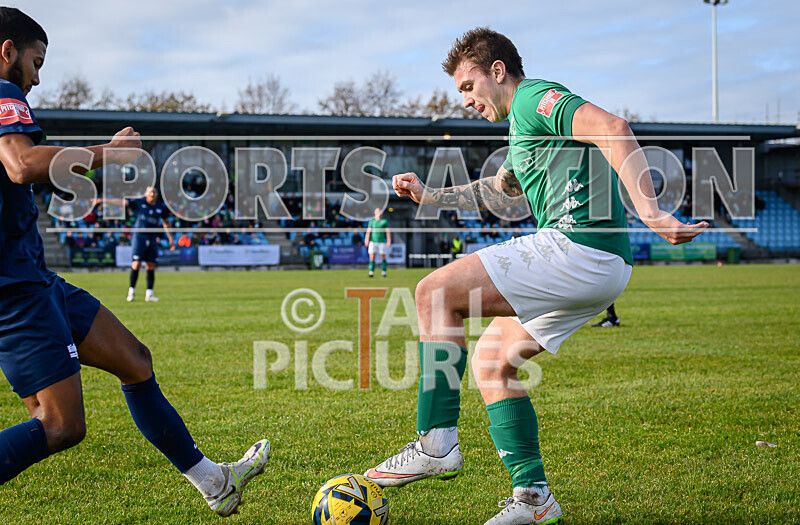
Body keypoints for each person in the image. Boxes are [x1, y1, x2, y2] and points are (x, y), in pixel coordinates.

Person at [363, 27, 707, 525]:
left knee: (433, 292)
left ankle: (435, 442)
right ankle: (534, 499)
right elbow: (497, 191)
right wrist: (429, 195)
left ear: (496, 71)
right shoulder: (521, 130)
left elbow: (613, 127)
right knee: (491, 362)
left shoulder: (533, 98)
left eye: (467, 86)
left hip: (579, 247)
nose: (465, 100)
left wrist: (651, 212)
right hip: (604, 266)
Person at [0, 8, 268, 516]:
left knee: (134, 360)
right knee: (60, 425)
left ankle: (215, 482)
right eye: (36, 61)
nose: (37, 76)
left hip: (34, 278)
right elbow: (22, 165)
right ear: (6, 51)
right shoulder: (2, 93)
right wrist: (109, 152)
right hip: (14, 289)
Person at [124, 186, 174, 302]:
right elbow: (123, 202)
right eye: (150, 192)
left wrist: (170, 239)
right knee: (136, 264)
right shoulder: (139, 202)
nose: (152, 194)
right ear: (145, 193)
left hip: (152, 238)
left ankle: (149, 294)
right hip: (139, 237)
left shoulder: (160, 207)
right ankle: (131, 291)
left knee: (151, 265)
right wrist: (103, 200)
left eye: (154, 192)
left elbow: (166, 223)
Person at [365, 207, 391, 277]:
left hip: (382, 241)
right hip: (373, 241)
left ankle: (384, 272)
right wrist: (366, 239)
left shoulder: (384, 221)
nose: (378, 213)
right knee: (372, 256)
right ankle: (371, 272)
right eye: (377, 211)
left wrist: (389, 240)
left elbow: (387, 231)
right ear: (375, 213)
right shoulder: (372, 221)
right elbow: (368, 231)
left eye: (379, 211)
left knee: (383, 256)